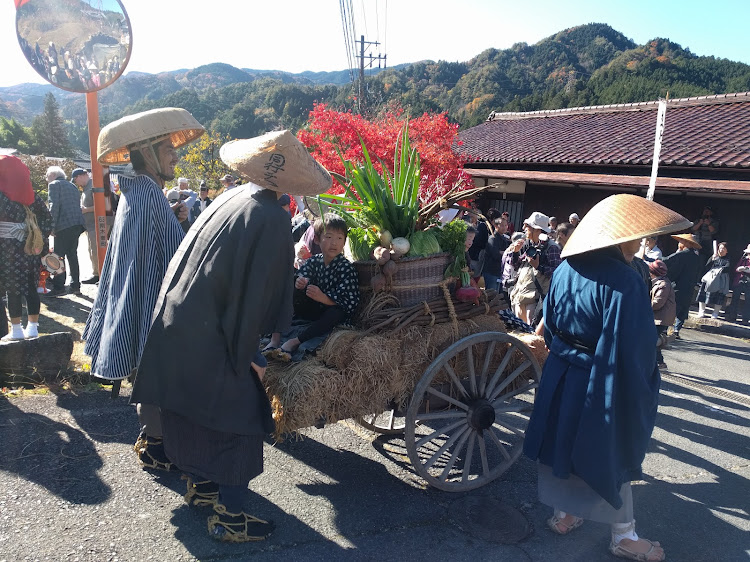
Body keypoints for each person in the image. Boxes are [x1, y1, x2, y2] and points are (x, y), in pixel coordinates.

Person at [130, 130, 332, 542]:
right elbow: (253, 295)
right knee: (240, 416)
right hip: (217, 330)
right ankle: (230, 517)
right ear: (292, 183)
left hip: (180, 322)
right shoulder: (272, 216)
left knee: (190, 410)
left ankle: (201, 487)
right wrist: (253, 357)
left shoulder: (228, 198)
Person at [524, 193, 691, 562]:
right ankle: (623, 536)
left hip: (561, 373)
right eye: (638, 235)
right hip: (600, 376)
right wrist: (643, 384)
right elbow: (631, 346)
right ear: (621, 238)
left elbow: (549, 325)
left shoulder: (566, 268)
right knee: (610, 449)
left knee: (563, 441)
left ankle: (565, 513)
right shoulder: (624, 279)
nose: (641, 242)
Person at [83, 107, 204, 467]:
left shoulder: (141, 192)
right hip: (154, 304)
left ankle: (153, 438)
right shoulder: (149, 197)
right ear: (148, 153)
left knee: (148, 371)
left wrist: (175, 219)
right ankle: (156, 444)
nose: (176, 155)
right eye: (168, 149)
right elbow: (169, 261)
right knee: (157, 372)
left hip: (142, 300)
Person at [268, 213, 359, 358]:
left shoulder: (346, 267)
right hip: (312, 310)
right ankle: (275, 338)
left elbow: (349, 303)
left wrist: (323, 297)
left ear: (344, 242)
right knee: (288, 284)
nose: (334, 243)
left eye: (339, 238)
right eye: (328, 237)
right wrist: (300, 282)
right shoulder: (314, 261)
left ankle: (295, 341)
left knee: (337, 312)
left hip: (330, 315)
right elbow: (302, 275)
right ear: (317, 239)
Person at [0, 156, 53, 340]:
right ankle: (33, 327)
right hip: (29, 248)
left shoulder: (2, 195)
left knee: (12, 288)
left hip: (7, 249)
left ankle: (15, 329)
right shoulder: (31, 195)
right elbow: (47, 219)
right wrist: (37, 236)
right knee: (31, 286)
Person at [46, 166, 85, 296]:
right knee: (72, 254)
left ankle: (59, 287)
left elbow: (54, 206)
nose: (47, 179)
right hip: (77, 224)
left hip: (63, 225)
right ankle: (75, 286)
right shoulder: (72, 186)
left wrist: (51, 226)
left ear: (52, 175)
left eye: (47, 176)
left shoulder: (54, 185)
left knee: (57, 256)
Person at [79, 167, 118, 284]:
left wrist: (86, 210)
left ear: (81, 176)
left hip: (100, 223)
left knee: (98, 249)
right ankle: (97, 273)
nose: (76, 182)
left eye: (76, 179)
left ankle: (101, 274)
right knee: (93, 249)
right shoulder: (87, 187)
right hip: (91, 224)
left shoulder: (95, 186)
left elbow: (103, 204)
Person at [662, 233, 702, 339]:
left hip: (678, 286)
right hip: (689, 287)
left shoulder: (681, 254)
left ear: (685, 243)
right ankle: (676, 330)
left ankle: (664, 330)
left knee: (672, 308)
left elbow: (666, 260)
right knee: (683, 309)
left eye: (681, 241)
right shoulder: (697, 257)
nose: (679, 243)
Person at [649, 260, 676, 370]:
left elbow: (658, 303)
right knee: (652, 340)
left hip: (661, 318)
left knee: (651, 340)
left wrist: (642, 306)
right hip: (658, 317)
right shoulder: (657, 282)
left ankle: (660, 362)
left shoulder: (663, 284)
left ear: (653, 272)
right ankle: (658, 362)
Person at [697, 241, 731, 319]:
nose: (721, 250)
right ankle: (701, 311)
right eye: (720, 248)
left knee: (719, 297)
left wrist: (719, 269)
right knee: (703, 295)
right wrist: (712, 259)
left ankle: (715, 313)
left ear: (727, 250)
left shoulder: (728, 259)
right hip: (710, 279)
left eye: (723, 248)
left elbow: (727, 268)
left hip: (721, 280)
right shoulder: (714, 257)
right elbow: (706, 267)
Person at [482, 216, 510, 292]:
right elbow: (495, 254)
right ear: (496, 226)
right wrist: (504, 252)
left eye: (505, 225)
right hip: (491, 271)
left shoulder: (505, 239)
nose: (504, 227)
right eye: (502, 225)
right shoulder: (492, 238)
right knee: (491, 294)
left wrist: (502, 252)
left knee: (499, 296)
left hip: (500, 272)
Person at [725, 243, 750, 324]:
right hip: (740, 280)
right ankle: (732, 315)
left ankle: (745, 318)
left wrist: (746, 269)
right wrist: (740, 269)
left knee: (748, 300)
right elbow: (736, 268)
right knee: (735, 298)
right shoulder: (743, 259)